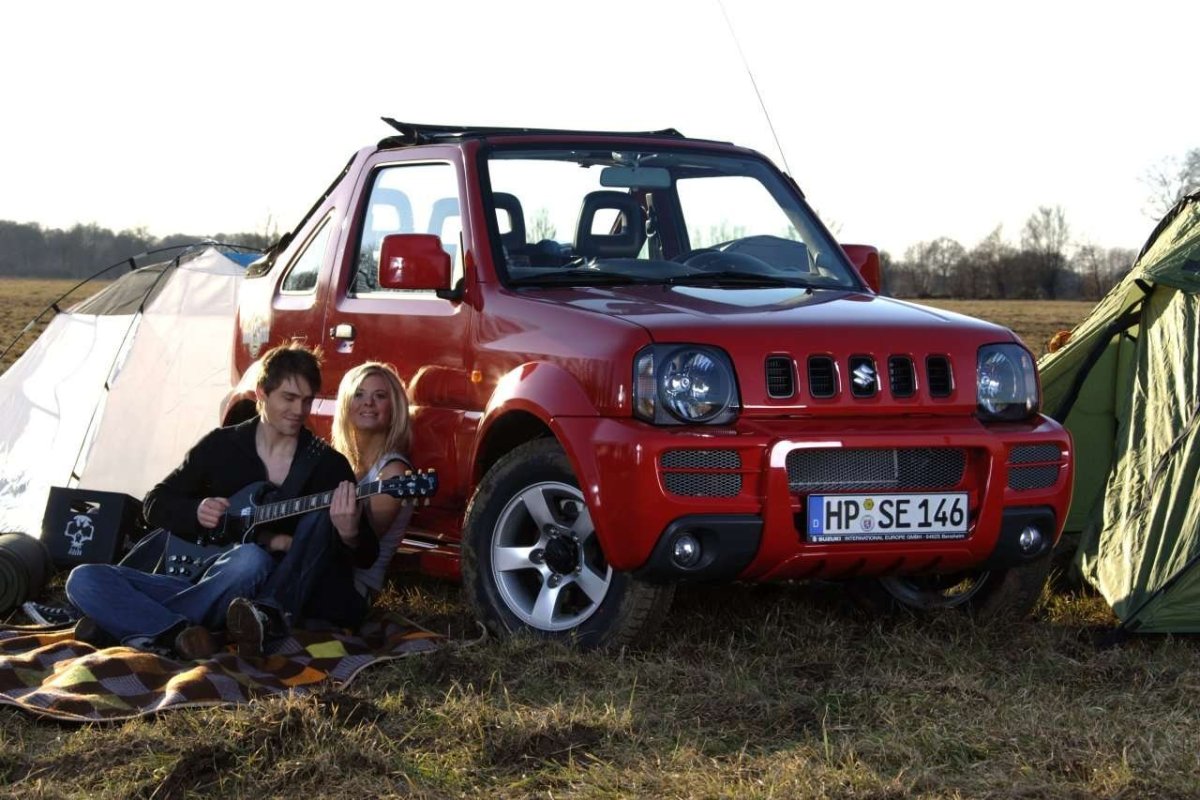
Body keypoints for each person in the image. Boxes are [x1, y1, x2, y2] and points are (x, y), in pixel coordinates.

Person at [64, 344, 377, 660]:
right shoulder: (221, 446)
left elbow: (366, 555)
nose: (299, 410)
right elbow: (155, 503)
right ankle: (179, 633)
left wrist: (350, 533)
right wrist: (195, 511)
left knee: (250, 559)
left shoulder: (327, 465)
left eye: (307, 400)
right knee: (84, 579)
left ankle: (129, 623)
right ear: (261, 394)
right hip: (201, 583)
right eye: (289, 398)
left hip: (269, 595)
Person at [330, 362, 414, 599]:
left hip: (355, 587)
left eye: (380, 396)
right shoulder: (337, 462)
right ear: (346, 404)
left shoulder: (392, 473)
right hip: (323, 570)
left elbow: (362, 550)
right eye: (359, 394)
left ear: (394, 409)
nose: (368, 402)